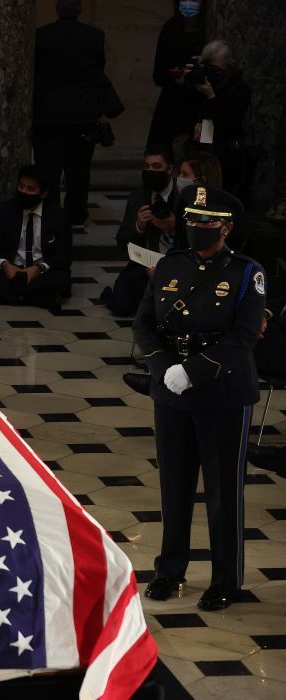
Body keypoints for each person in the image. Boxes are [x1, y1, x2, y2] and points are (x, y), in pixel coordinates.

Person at [133, 184, 265, 611]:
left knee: (223, 492)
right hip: (170, 390)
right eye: (191, 220)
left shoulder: (247, 272)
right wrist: (163, 367)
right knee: (174, 485)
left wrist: (192, 372)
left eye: (206, 222)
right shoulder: (172, 265)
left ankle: (226, 579)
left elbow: (244, 337)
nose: (197, 228)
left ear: (226, 227)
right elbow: (144, 323)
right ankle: (170, 571)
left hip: (222, 393)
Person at [32, 0, 107, 229]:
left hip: (48, 115)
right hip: (82, 115)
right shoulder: (94, 36)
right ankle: (76, 214)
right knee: (79, 171)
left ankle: (50, 212)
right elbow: (99, 70)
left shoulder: (42, 36)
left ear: (57, 9)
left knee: (49, 170)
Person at [0, 164, 72, 310]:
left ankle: (9, 295)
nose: (24, 191)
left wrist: (38, 268)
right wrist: (6, 265)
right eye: (21, 186)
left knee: (61, 279)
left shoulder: (57, 215)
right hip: (11, 271)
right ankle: (36, 298)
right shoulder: (6, 209)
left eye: (30, 189)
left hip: (40, 273)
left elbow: (64, 256)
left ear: (43, 193)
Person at [105, 148, 183, 317]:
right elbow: (122, 243)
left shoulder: (183, 196)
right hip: (144, 262)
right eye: (147, 166)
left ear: (170, 169)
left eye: (156, 167)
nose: (151, 172)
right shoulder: (138, 196)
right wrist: (138, 226)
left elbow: (195, 243)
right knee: (120, 306)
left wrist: (173, 227)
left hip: (176, 266)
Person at [183, 39, 252, 198]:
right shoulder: (201, 83)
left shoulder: (239, 89)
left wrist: (211, 97)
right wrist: (186, 82)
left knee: (217, 198)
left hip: (224, 157)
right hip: (199, 152)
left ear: (229, 68)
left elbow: (225, 125)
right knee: (198, 198)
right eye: (209, 68)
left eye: (217, 69)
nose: (213, 74)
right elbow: (184, 112)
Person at [146, 1, 207, 156]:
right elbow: (158, 74)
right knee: (163, 153)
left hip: (203, 103)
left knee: (203, 152)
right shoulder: (171, 30)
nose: (189, 4)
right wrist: (178, 78)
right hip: (173, 102)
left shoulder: (209, 28)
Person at [247, 294, 286, 477]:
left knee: (237, 338)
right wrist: (261, 315)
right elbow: (280, 300)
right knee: (236, 330)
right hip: (275, 335)